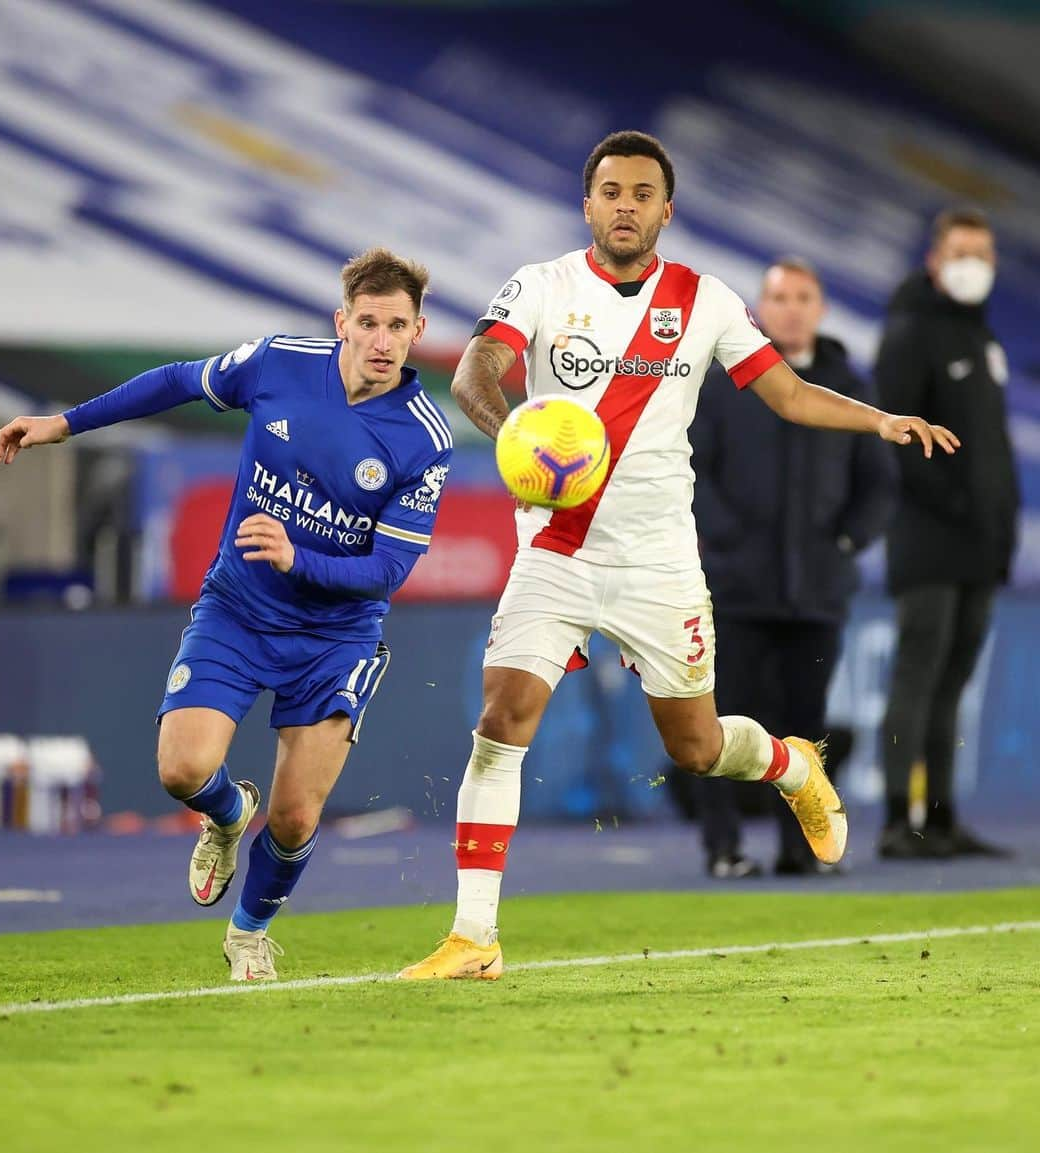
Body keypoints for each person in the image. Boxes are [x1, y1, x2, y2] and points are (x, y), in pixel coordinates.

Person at [397, 131, 957, 981]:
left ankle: (789, 762)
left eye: (641, 193)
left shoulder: (706, 301)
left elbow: (790, 393)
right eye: (610, 191)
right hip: (555, 546)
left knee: (694, 748)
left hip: (660, 560)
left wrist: (877, 420)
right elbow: (479, 368)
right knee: (502, 719)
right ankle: (475, 935)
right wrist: (513, 427)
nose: (625, 205)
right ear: (588, 204)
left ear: (666, 209)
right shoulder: (542, 285)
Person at [0, 248, 452, 980]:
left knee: (299, 816)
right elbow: (177, 381)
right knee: (181, 770)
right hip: (238, 609)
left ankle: (248, 933)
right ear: (342, 323)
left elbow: (387, 572)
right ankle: (227, 812)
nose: (381, 340)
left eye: (397, 326)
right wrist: (66, 423)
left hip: (335, 638)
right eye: (367, 322)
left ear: (417, 329)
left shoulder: (424, 438)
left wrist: (298, 559)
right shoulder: (277, 362)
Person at [683, 257, 894, 878]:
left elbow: (879, 483)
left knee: (805, 725)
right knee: (723, 724)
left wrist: (849, 542)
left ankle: (800, 850)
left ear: (820, 307)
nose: (793, 307)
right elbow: (694, 469)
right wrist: (726, 542)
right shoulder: (725, 383)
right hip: (737, 589)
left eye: (804, 296)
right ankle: (723, 847)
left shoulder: (851, 384)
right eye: (781, 296)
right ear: (761, 308)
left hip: (818, 593)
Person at [876, 207, 1018, 859]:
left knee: (953, 684)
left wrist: (1000, 524)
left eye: (983, 255)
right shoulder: (909, 332)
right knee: (918, 678)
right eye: (961, 252)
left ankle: (939, 817)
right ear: (934, 260)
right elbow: (899, 441)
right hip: (929, 539)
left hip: (981, 546)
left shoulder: (981, 340)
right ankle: (894, 821)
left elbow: (993, 449)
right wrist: (957, 503)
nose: (973, 265)